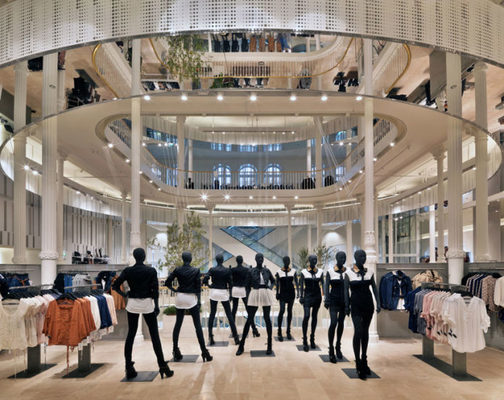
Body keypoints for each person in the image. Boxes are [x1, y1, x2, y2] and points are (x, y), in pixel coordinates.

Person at [112, 248, 173, 379]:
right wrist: (157, 305)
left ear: (134, 257)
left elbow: (115, 286)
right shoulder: (151, 271)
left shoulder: (128, 271)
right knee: (154, 336)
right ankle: (162, 366)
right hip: (147, 304)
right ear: (144, 257)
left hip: (132, 304)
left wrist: (125, 294)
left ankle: (128, 367)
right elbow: (155, 290)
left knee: (131, 335)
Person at [165, 252, 213, 363]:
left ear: (182, 259)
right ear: (191, 259)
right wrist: (199, 301)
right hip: (191, 298)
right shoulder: (196, 270)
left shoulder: (177, 270)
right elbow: (198, 288)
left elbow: (167, 283)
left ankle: (175, 351)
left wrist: (175, 290)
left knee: (178, 325)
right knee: (198, 326)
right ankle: (204, 352)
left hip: (180, 297)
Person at [344, 249, 380, 380]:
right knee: (358, 331)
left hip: (368, 306)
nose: (363, 258)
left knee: (365, 332)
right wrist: (346, 306)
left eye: (364, 256)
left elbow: (374, 288)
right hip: (356, 306)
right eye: (360, 256)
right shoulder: (348, 274)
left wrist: (378, 302)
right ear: (355, 257)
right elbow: (346, 292)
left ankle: (364, 360)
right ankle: (358, 362)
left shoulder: (369, 272)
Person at [236, 253, 275, 356]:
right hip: (254, 293)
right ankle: (241, 345)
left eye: (262, 258)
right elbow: (247, 285)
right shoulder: (251, 271)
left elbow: (273, 281)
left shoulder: (267, 270)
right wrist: (248, 296)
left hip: (265, 293)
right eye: (258, 258)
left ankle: (269, 345)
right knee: (249, 319)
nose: (260, 259)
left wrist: (270, 288)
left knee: (267, 319)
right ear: (255, 259)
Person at [203, 254, 240, 345]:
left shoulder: (212, 269)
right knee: (229, 315)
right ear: (223, 260)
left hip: (214, 292)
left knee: (212, 314)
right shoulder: (227, 270)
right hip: (223, 292)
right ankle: (236, 338)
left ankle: (211, 337)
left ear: (216, 260)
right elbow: (230, 284)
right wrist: (231, 295)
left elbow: (205, 278)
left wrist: (209, 285)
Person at [324, 251, 348, 363]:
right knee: (333, 322)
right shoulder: (330, 271)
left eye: (344, 257)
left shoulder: (347, 271)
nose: (343, 259)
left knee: (341, 323)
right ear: (336, 258)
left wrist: (349, 302)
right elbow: (326, 286)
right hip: (333, 300)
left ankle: (338, 345)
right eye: (341, 257)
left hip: (344, 301)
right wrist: (326, 299)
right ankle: (331, 348)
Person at [299, 254, 324, 351]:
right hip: (307, 296)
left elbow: (323, 284)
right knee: (306, 316)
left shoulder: (320, 271)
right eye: (312, 259)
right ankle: (304, 339)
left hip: (317, 297)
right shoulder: (304, 272)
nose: (314, 261)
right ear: (309, 260)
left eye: (315, 259)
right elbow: (301, 285)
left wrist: (325, 296)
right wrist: (301, 296)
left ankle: (312, 337)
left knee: (314, 317)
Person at [231, 255, 260, 338]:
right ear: (242, 260)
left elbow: (231, 280)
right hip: (243, 289)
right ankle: (254, 329)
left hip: (235, 289)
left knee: (234, 310)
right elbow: (249, 280)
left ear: (236, 261)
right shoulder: (247, 270)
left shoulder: (233, 270)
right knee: (249, 311)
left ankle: (233, 331)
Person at [275, 256, 298, 341]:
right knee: (282, 310)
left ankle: (288, 331)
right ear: (283, 261)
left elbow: (296, 283)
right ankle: (279, 330)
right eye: (285, 260)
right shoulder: (279, 272)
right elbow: (277, 283)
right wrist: (277, 293)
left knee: (289, 311)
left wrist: (299, 293)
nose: (287, 262)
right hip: (282, 293)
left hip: (291, 293)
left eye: (288, 260)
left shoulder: (293, 271)